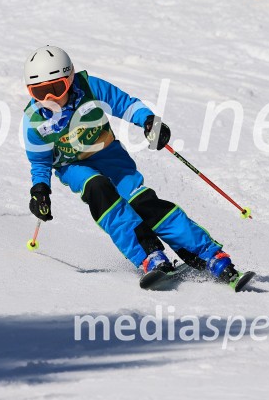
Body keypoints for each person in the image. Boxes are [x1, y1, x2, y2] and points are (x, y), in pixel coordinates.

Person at [22, 45, 249, 289]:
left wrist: (149, 121)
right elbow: (40, 161)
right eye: (39, 92)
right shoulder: (34, 121)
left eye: (56, 89)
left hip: (108, 154)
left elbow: (125, 104)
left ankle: (208, 254)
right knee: (100, 192)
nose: (49, 99)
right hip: (73, 166)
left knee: (143, 203)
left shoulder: (90, 87)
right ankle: (149, 255)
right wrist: (40, 190)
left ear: (70, 78)